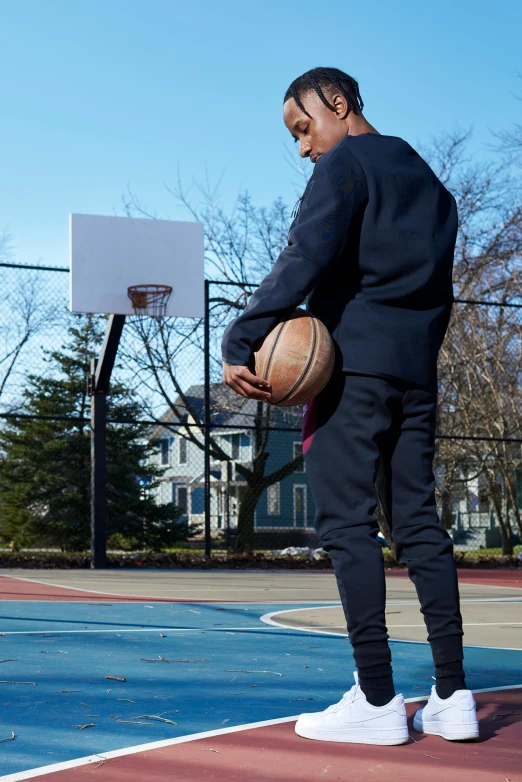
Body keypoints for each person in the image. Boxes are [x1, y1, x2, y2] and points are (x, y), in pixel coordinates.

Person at [221, 66, 479, 745]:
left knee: (346, 527)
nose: (304, 147)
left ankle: (376, 699)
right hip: (415, 375)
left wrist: (241, 337)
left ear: (337, 103)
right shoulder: (432, 184)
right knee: (420, 525)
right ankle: (454, 696)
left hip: (351, 372)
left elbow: (303, 256)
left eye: (304, 128)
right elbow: (440, 295)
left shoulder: (345, 168)